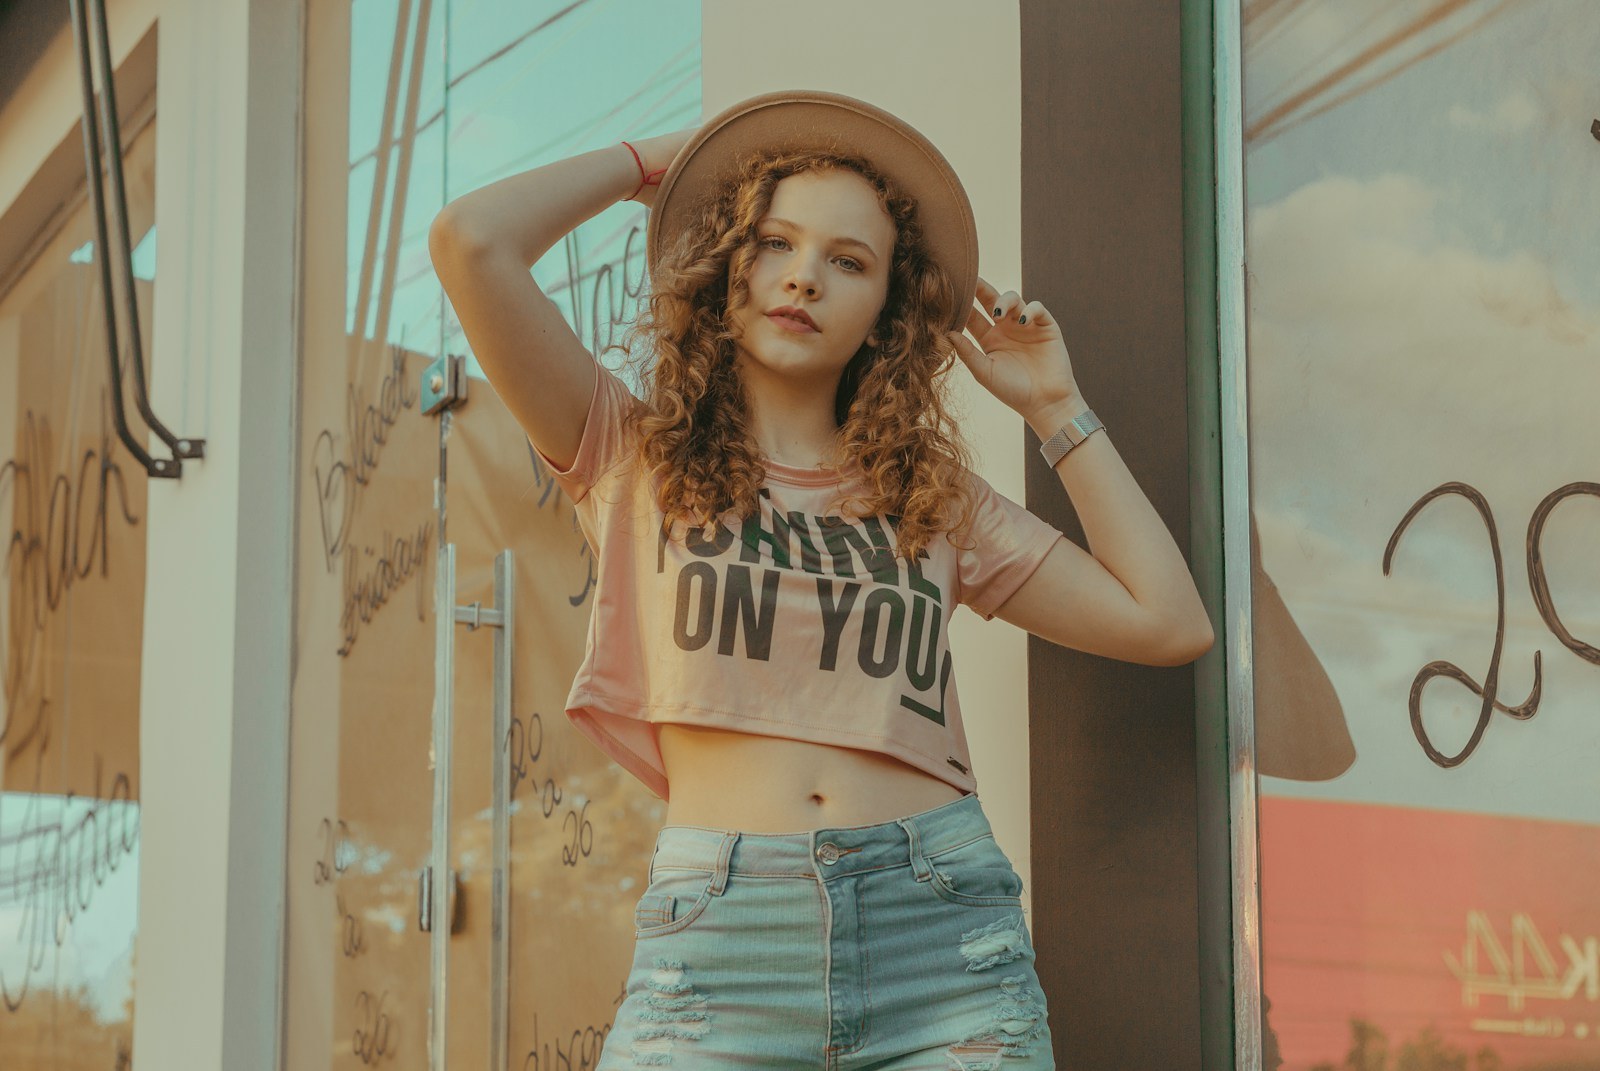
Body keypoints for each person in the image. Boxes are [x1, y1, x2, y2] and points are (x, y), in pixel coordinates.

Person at [429, 90, 1212, 1070]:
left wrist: (1054, 406)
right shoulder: (632, 456)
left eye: (848, 262)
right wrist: (658, 163)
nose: (803, 278)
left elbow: (1167, 622)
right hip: (719, 946)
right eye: (773, 243)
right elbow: (471, 243)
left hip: (940, 935)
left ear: (888, 308)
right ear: (727, 267)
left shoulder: (931, 499)